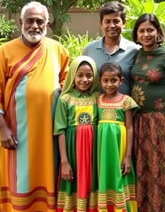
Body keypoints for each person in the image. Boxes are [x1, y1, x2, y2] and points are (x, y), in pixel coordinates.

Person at [0, 1, 69, 212]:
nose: (35, 26)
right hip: (16, 135)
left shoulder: (58, 50)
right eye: (30, 21)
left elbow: (69, 89)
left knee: (49, 180)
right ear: (20, 22)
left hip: (50, 135)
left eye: (40, 21)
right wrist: (3, 128)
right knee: (17, 183)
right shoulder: (5, 52)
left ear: (47, 23)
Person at [131, 13, 165, 212]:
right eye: (142, 31)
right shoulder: (135, 54)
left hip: (160, 120)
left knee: (161, 169)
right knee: (143, 168)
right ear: (136, 34)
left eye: (150, 30)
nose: (146, 34)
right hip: (138, 120)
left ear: (158, 32)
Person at [82, 1, 165, 95]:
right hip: (95, 109)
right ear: (101, 23)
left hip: (126, 110)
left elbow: (154, 57)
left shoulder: (135, 50)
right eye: (107, 21)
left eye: (116, 21)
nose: (112, 25)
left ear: (124, 23)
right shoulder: (89, 50)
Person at [54, 56, 99, 212]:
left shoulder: (97, 98)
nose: (84, 80)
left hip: (94, 153)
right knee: (75, 183)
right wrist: (64, 161)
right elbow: (60, 131)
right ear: (72, 75)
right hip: (74, 152)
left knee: (93, 183)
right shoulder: (65, 100)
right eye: (80, 75)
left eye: (89, 75)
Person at [97, 62, 138, 212]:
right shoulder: (98, 100)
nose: (109, 84)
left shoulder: (126, 101)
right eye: (105, 80)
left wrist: (127, 156)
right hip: (102, 149)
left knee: (119, 176)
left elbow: (130, 127)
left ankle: (122, 208)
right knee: (105, 176)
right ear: (100, 81)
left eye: (113, 80)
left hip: (119, 148)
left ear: (121, 81)